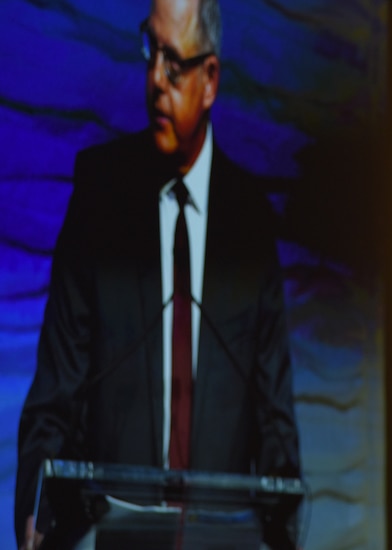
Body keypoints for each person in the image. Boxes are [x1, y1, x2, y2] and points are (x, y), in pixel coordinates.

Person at [14, 0, 301, 548]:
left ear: (210, 79)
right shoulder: (100, 195)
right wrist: (34, 511)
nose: (154, 80)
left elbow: (275, 420)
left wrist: (283, 532)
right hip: (111, 535)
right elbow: (56, 393)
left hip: (220, 539)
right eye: (150, 50)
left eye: (173, 62)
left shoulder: (250, 220)